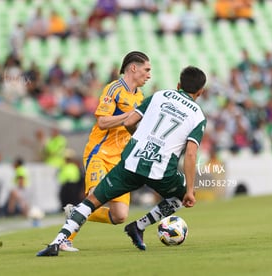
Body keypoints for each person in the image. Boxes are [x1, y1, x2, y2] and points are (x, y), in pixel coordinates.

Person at [36, 65, 207, 256]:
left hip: (131, 162)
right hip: (162, 170)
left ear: (178, 84)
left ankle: (56, 243)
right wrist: (190, 191)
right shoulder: (197, 115)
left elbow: (128, 122)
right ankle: (139, 226)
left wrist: (139, 141)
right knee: (180, 198)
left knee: (92, 201)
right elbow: (191, 155)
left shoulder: (160, 95)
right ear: (200, 92)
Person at [60, 51, 151, 252]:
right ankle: (66, 238)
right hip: (100, 154)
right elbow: (102, 122)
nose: (149, 75)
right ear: (133, 68)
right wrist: (130, 116)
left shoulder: (140, 96)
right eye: (147, 69)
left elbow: (132, 127)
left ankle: (76, 212)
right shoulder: (114, 89)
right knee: (95, 195)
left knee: (119, 216)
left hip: (120, 161)